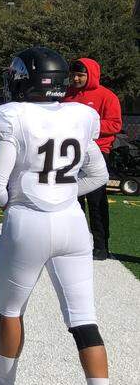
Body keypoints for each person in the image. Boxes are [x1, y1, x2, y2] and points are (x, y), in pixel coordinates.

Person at [0, 47, 111, 385]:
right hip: (72, 223)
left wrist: (22, 201)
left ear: (26, 80)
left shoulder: (12, 117)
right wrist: (63, 194)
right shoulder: (80, 116)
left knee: (11, 310)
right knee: (84, 321)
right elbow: (98, 174)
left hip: (28, 224)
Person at [64, 57, 122, 260]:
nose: (76, 78)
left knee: (96, 201)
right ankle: (75, 243)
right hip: (71, 154)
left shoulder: (107, 96)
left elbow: (115, 124)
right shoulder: (67, 95)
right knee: (72, 199)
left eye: (80, 74)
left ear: (91, 74)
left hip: (97, 153)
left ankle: (101, 245)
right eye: (73, 74)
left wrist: (88, 129)